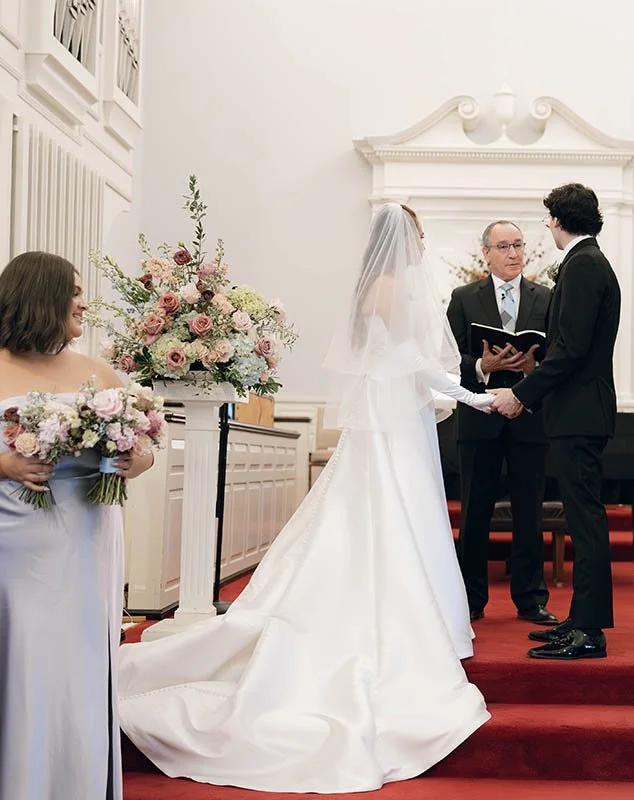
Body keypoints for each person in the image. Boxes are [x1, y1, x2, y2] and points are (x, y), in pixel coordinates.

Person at [115, 203, 493, 793]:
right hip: (391, 419)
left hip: (391, 414)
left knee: (385, 509)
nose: (422, 243)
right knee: (385, 509)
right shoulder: (391, 289)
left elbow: (403, 363)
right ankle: (392, 619)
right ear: (401, 239)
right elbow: (411, 360)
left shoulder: (383, 287)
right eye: (418, 233)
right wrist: (475, 397)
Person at [0, 251, 151, 799]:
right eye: (74, 292)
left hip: (82, 550)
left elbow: (144, 444)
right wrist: (3, 464)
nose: (84, 302)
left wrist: (135, 459)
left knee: (72, 673)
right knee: (0, 667)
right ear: (41, 296)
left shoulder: (96, 372)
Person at [490, 183, 621, 661]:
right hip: (577, 410)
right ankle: (580, 619)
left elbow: (571, 349)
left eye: (548, 218)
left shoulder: (585, 265)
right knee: (583, 518)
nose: (546, 225)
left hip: (580, 413)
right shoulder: (587, 262)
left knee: (585, 522)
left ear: (561, 219)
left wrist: (521, 395)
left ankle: (590, 632)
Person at [446, 220, 556, 625]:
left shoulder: (546, 297)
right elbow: (445, 358)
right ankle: (470, 599)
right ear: (485, 253)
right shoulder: (462, 298)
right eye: (504, 246)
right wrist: (480, 364)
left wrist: (535, 367)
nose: (513, 253)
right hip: (481, 417)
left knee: (530, 513)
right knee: (475, 512)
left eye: (518, 245)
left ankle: (531, 599)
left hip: (529, 417)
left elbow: (559, 355)